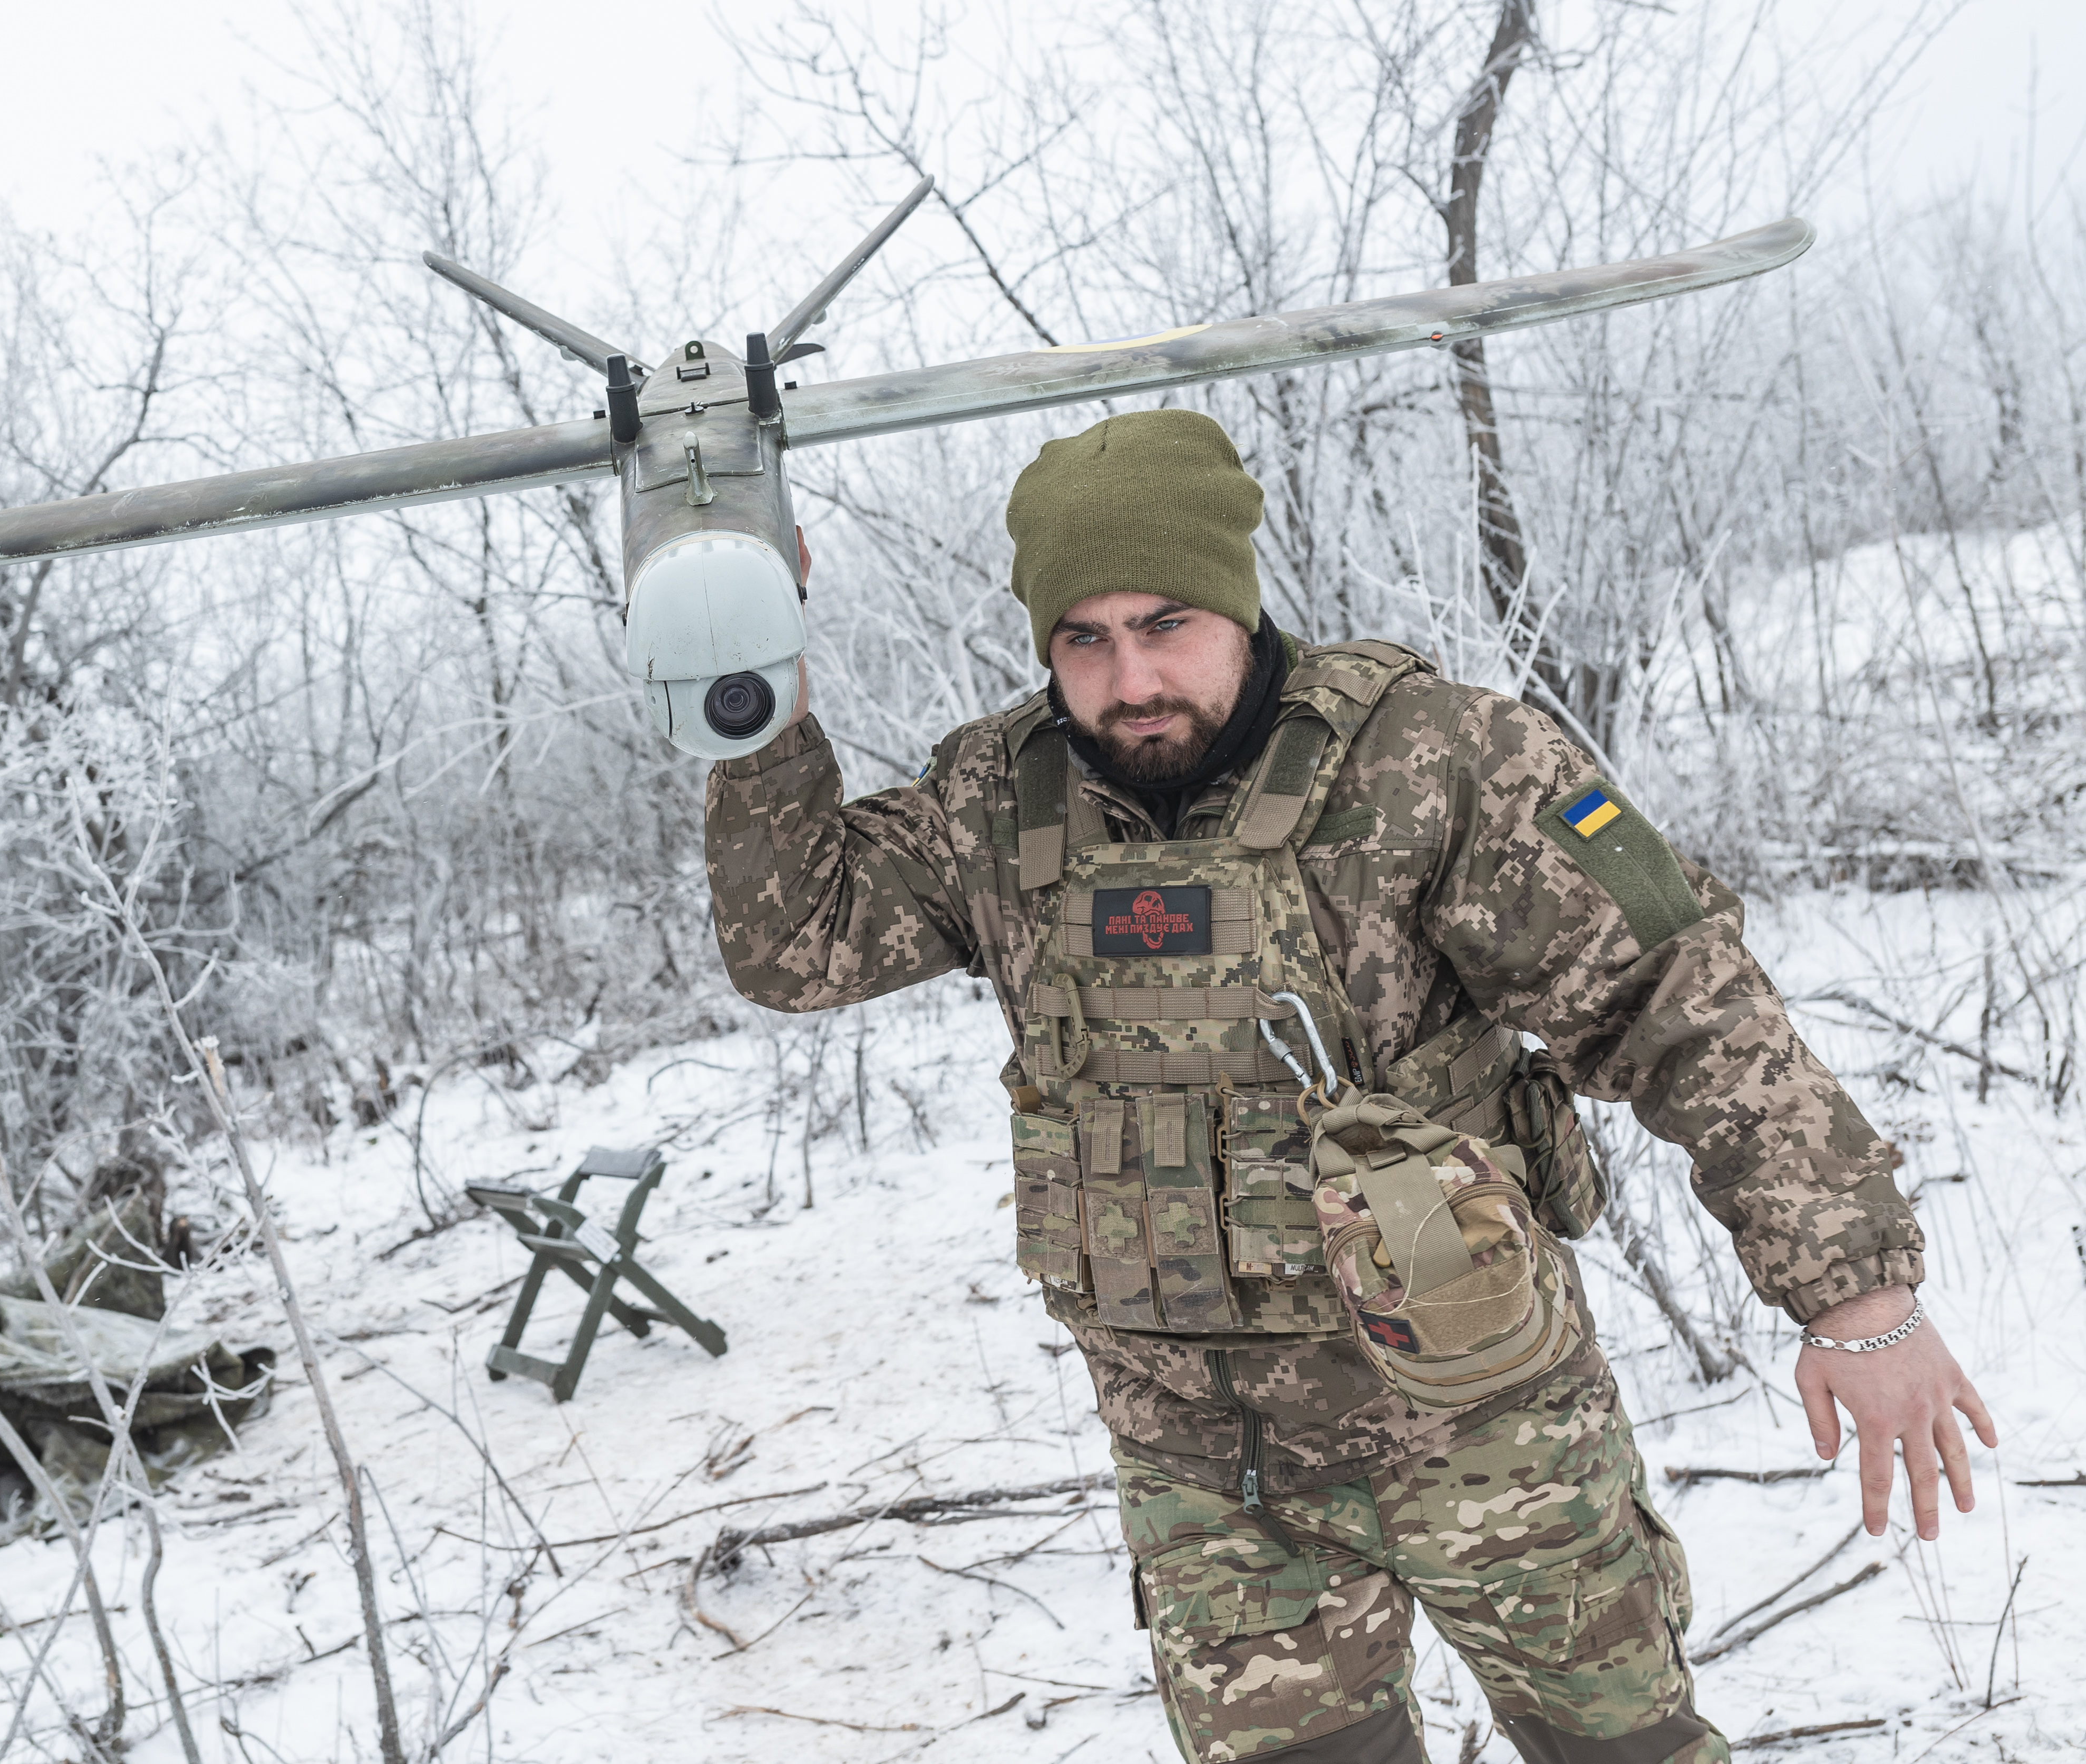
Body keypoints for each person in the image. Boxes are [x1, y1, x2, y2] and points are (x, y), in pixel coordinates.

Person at [700, 409, 1994, 1763]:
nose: (1130, 676)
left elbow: (1681, 1003)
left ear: (1242, 605)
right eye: (1083, 638)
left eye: (1166, 621)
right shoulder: (997, 801)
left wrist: (1857, 1298)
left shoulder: (1435, 761)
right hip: (1206, 1476)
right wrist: (742, 663)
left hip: (1483, 1428)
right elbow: (800, 941)